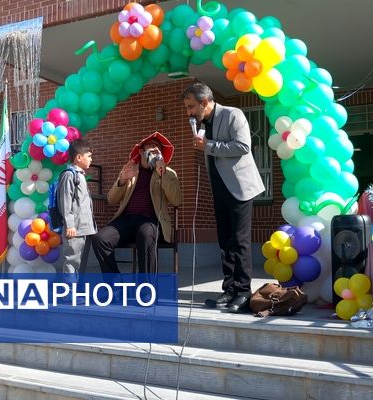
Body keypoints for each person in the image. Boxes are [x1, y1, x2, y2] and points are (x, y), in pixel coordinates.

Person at [182, 82, 265, 313]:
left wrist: (209, 145)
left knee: (239, 241)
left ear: (204, 102)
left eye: (191, 107)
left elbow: (242, 146)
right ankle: (229, 289)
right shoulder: (203, 124)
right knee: (224, 241)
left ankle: (243, 291)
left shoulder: (232, 114)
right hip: (219, 188)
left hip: (239, 188)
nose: (188, 112)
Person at [92, 132, 182, 274]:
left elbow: (176, 199)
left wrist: (163, 173)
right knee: (100, 239)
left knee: (145, 234)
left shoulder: (168, 172)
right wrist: (122, 180)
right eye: (151, 147)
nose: (154, 151)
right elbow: (111, 200)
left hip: (151, 221)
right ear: (141, 151)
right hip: (126, 220)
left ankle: (146, 290)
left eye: (157, 149)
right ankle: (115, 286)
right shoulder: (130, 170)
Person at [58, 139, 98, 282]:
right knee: (72, 261)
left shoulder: (80, 175)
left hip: (84, 227)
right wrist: (70, 225)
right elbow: (65, 201)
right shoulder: (69, 175)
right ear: (79, 157)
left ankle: (75, 289)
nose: (91, 159)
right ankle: (68, 293)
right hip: (74, 228)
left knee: (78, 262)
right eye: (89, 156)